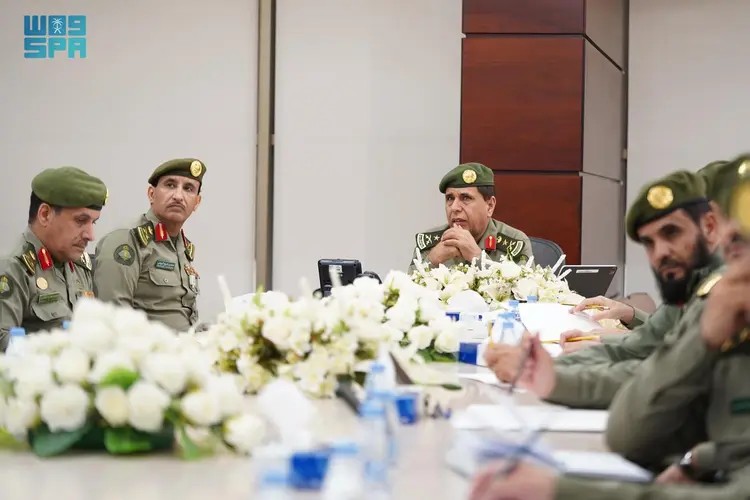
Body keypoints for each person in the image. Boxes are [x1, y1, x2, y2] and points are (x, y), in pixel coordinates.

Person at [469, 165, 750, 499]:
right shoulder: (718, 297)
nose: (661, 253)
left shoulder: (720, 300)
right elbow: (642, 362)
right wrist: (700, 460)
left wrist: (561, 491)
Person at [485, 170, 724, 409]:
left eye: (672, 233)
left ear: (711, 225)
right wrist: (538, 366)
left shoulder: (727, 293)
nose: (660, 253)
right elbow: (638, 346)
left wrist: (552, 379)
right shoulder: (693, 283)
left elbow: (663, 375)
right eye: (649, 243)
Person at [0, 166, 108, 350]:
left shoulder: (79, 265)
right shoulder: (14, 269)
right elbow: (4, 344)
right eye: (81, 221)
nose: (91, 235)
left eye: (93, 222)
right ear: (45, 214)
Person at [94, 158, 204, 332]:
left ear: (196, 202)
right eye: (170, 185)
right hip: (149, 348)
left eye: (188, 188)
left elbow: (184, 315)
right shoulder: (127, 239)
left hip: (187, 345)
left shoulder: (183, 247)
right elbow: (114, 316)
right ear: (151, 194)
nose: (178, 196)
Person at [408, 162, 533, 272]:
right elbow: (407, 289)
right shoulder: (430, 243)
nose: (454, 207)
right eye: (450, 198)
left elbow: (524, 289)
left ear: (489, 206)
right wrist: (432, 261)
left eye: (466, 198)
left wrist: (478, 258)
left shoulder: (514, 243)